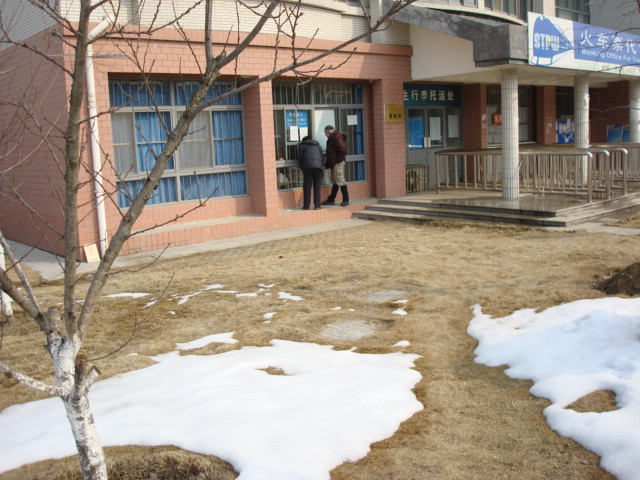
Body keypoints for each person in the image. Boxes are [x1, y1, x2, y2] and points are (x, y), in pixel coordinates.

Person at [322, 125, 349, 206]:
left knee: (340, 180)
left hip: (337, 163)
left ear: (328, 132)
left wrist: (337, 161)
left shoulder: (336, 138)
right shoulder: (333, 137)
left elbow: (343, 150)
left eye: (325, 133)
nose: (325, 134)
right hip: (334, 163)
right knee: (335, 181)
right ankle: (331, 199)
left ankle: (346, 199)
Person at [297, 135, 324, 210]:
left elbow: (300, 159)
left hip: (307, 168)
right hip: (318, 168)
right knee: (317, 187)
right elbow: (322, 158)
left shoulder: (302, 146)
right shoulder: (318, 146)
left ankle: (306, 206)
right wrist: (320, 166)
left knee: (307, 187)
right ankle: (317, 206)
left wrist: (302, 167)